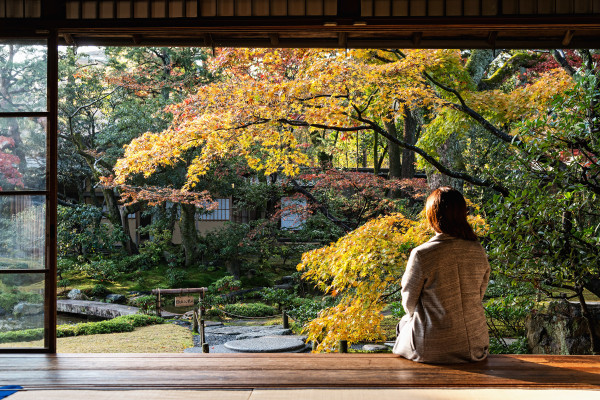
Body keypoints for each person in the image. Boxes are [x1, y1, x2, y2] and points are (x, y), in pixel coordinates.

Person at [393, 186, 490, 363]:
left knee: (402, 325)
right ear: (463, 214)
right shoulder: (477, 250)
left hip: (431, 347)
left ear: (433, 216)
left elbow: (409, 302)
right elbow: (479, 293)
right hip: (475, 345)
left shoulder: (422, 254)